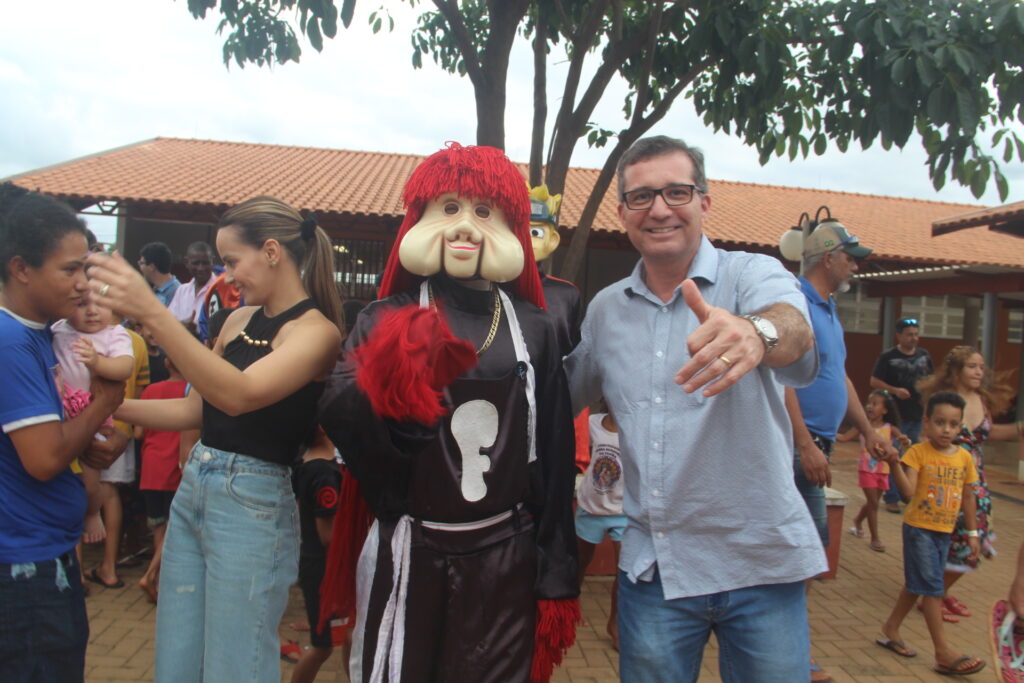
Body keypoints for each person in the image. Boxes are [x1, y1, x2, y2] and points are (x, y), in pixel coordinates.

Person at [317, 143, 579, 683]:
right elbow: (343, 419)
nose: (465, 228)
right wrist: (392, 387)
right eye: (450, 209)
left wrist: (556, 571)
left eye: (484, 212)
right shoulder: (383, 317)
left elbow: (552, 451)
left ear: (511, 226)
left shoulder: (538, 326)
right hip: (414, 546)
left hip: (508, 550)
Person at [564, 135, 821, 682]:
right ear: (623, 213)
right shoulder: (607, 310)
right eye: (641, 196)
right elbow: (558, 395)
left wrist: (757, 332)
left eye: (676, 192)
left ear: (704, 201)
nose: (659, 208)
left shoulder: (753, 276)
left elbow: (794, 330)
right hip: (656, 569)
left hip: (761, 563)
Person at [87, 196, 343, 683]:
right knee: (176, 661)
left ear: (271, 252)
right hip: (197, 486)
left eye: (231, 261)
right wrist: (98, 406)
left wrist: (154, 315)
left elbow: (238, 395)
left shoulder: (316, 333)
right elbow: (196, 407)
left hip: (254, 504)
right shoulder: (238, 321)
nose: (227, 276)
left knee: (234, 666)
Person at [0, 183, 126, 682]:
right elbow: (44, 458)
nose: (82, 285)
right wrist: (105, 405)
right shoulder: (12, 343)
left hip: (40, 551)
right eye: (69, 269)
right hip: (24, 567)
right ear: (21, 269)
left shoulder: (38, 335)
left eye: (86, 269)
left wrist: (91, 440)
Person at [785, 218, 895, 682]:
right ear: (828, 258)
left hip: (818, 445)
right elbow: (779, 377)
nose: (854, 264)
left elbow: (842, 377)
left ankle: (788, 652)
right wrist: (805, 444)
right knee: (803, 555)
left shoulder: (828, 309)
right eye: (850, 256)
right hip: (795, 446)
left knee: (803, 556)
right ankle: (791, 658)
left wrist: (868, 429)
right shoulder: (794, 303)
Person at [875, 391, 986, 676]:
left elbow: (968, 497)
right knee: (933, 589)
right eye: (939, 422)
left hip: (944, 532)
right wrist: (894, 463)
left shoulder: (963, 458)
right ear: (926, 422)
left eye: (953, 424)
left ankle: (890, 629)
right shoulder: (918, 453)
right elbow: (909, 493)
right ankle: (943, 653)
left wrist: (973, 533)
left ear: (961, 425)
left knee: (918, 584)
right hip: (919, 531)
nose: (946, 429)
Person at [917, 345, 1018, 621]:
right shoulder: (944, 401)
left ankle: (938, 594)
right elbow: (927, 438)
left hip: (976, 484)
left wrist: (1020, 427)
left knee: (973, 541)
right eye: (973, 367)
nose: (979, 372)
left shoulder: (981, 400)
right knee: (948, 541)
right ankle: (932, 598)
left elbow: (988, 434)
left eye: (981, 367)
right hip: (947, 481)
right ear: (956, 370)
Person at [50, 295, 134, 545]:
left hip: (92, 413)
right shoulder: (57, 329)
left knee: (90, 479)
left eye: (101, 303)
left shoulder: (114, 334)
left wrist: (98, 362)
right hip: (60, 411)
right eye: (82, 304)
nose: (92, 311)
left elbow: (124, 367)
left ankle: (91, 512)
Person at [289, 428, 345, 683]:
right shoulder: (324, 472)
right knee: (323, 645)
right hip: (324, 569)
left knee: (341, 637)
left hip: (314, 565)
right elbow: (329, 536)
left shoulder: (307, 460)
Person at [135, 354, 187, 603]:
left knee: (159, 525)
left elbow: (138, 431)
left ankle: (158, 582)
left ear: (167, 363)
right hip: (176, 468)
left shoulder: (152, 390)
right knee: (174, 527)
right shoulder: (192, 392)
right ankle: (152, 574)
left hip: (151, 466)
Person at [871, 317, 934, 512]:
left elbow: (931, 384)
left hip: (917, 416)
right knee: (894, 457)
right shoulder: (888, 357)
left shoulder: (924, 356)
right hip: (896, 418)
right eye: (909, 335)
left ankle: (909, 493)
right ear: (899, 336)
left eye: (916, 334)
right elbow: (874, 381)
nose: (913, 338)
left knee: (912, 458)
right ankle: (891, 497)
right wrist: (894, 390)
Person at [574, 407, 624, 650]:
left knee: (623, 572)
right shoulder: (592, 423)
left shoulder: (634, 427)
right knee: (580, 563)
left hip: (622, 511)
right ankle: (572, 608)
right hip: (591, 508)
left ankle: (615, 623)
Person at [837, 390, 910, 551]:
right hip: (866, 470)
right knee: (873, 503)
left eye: (875, 404)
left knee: (873, 503)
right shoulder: (863, 427)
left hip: (883, 471)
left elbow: (904, 440)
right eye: (869, 403)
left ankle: (857, 520)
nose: (870, 407)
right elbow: (843, 438)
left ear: (885, 410)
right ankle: (875, 538)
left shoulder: (890, 428)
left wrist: (905, 441)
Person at [167, 242, 215, 332]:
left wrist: (197, 329)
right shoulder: (182, 290)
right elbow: (169, 322)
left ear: (212, 262)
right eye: (196, 263)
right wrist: (183, 325)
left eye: (205, 263)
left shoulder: (220, 289)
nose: (200, 268)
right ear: (187, 263)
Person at [137, 242, 180, 307]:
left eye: (141, 263)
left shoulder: (177, 293)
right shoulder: (154, 290)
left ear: (152, 267)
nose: (140, 267)